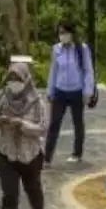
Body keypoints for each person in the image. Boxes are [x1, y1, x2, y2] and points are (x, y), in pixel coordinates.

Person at [0, 59, 48, 209]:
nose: (14, 82)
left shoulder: (37, 101)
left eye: (18, 78)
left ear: (26, 79)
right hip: (6, 152)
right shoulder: (1, 98)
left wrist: (21, 124)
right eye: (11, 78)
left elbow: (42, 128)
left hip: (29, 154)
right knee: (9, 194)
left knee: (33, 188)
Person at [43, 20, 95, 165]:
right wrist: (50, 90)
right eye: (60, 33)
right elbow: (53, 71)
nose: (63, 36)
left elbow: (88, 71)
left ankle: (77, 153)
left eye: (65, 33)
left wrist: (87, 91)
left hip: (77, 91)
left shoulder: (81, 49)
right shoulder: (56, 49)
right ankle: (47, 157)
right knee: (54, 123)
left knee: (78, 123)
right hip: (60, 91)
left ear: (72, 34)